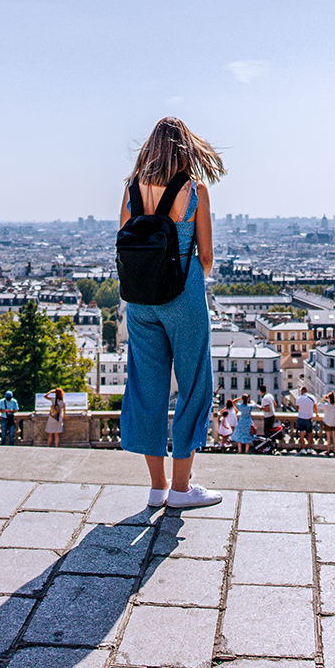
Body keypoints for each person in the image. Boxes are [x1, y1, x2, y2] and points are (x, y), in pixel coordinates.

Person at [118, 117, 224, 509]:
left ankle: (157, 486)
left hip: (139, 300)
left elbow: (125, 243)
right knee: (193, 385)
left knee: (147, 388)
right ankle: (181, 488)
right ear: (186, 150)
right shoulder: (195, 190)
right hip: (183, 295)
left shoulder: (132, 189)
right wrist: (187, 285)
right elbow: (206, 257)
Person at [319, 390, 335, 455]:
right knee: (333, 437)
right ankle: (334, 450)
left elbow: (319, 405)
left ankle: (328, 450)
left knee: (328, 437)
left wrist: (323, 398)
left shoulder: (327, 405)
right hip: (334, 422)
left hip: (327, 422)